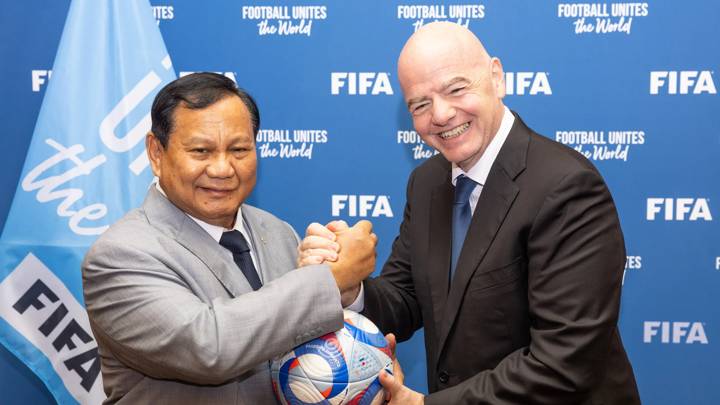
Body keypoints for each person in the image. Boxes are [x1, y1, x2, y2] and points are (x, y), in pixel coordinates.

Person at [299, 22, 641, 404]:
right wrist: (350, 289)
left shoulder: (566, 186)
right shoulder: (427, 182)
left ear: (497, 77)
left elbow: (563, 363)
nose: (441, 114)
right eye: (420, 104)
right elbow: (406, 297)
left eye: (456, 89)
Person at [82, 72, 378, 404]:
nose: (222, 168)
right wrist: (331, 280)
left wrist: (364, 357)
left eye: (239, 149)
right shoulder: (119, 255)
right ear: (156, 152)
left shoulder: (278, 231)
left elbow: (301, 339)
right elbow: (208, 348)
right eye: (201, 151)